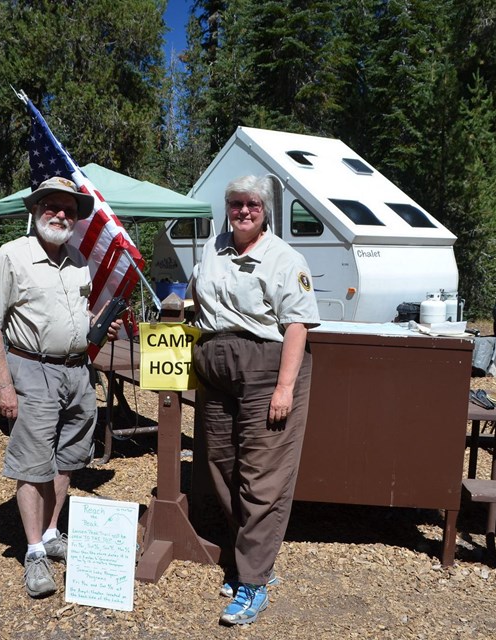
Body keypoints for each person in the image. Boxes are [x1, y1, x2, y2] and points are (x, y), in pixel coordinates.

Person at [0, 176, 120, 598]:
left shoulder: (77, 259)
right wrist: (4, 384)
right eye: (52, 207)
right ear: (35, 211)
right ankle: (34, 551)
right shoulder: (12, 256)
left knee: (68, 459)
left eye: (69, 210)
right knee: (33, 463)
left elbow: (76, 320)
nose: (60, 215)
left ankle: (52, 531)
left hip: (77, 372)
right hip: (32, 370)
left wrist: (100, 325)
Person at [191, 175, 320, 626]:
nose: (243, 210)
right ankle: (250, 558)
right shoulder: (214, 247)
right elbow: (197, 295)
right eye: (235, 203)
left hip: (267, 368)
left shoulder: (284, 257)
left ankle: (254, 582)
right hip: (216, 368)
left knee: (263, 476)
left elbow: (298, 325)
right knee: (222, 466)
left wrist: (284, 387)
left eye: (252, 204)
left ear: (265, 210)